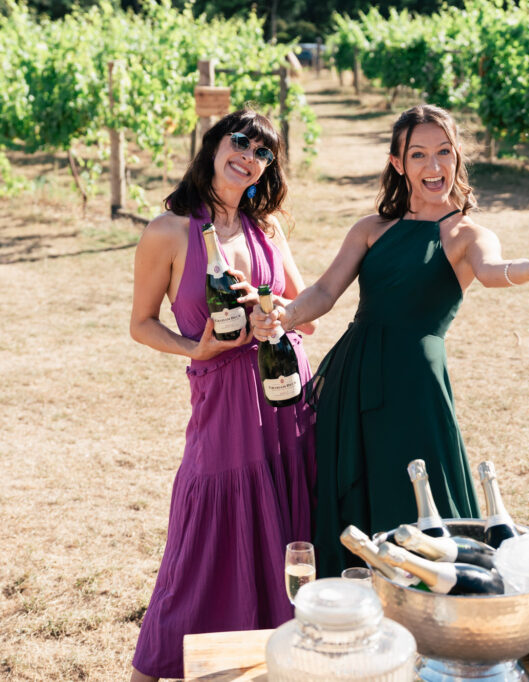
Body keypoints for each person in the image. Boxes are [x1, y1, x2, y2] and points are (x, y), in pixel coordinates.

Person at [251, 104, 529, 578]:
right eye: (419, 155)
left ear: (457, 157)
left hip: (416, 385)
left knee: (421, 498)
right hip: (354, 378)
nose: (434, 167)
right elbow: (326, 292)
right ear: (398, 163)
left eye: (444, 152)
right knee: (354, 497)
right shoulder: (370, 229)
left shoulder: (466, 233)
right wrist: (284, 317)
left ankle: (434, 609)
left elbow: (493, 271)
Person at [128, 109, 317, 682]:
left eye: (263, 152)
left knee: (286, 537)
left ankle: (276, 663)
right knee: (202, 546)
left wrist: (271, 312)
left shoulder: (267, 230)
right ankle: (152, 668)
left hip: (285, 398)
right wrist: (196, 350)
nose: (249, 156)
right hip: (220, 402)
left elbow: (303, 315)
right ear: (212, 146)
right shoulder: (169, 230)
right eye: (240, 142)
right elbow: (140, 323)